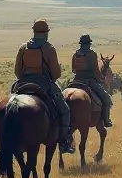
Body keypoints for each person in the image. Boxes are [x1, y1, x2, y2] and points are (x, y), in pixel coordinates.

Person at [13, 19, 75, 154]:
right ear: (46, 33)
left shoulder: (23, 48)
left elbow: (17, 71)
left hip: (23, 83)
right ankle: (64, 142)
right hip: (44, 84)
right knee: (64, 110)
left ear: (34, 31)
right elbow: (56, 74)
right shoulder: (49, 48)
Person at [71, 34, 114, 128]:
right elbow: (95, 69)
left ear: (81, 44)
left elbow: (73, 69)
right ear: (88, 44)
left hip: (76, 81)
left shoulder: (75, 55)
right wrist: (99, 79)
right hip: (90, 81)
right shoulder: (92, 54)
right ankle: (106, 120)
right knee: (106, 98)